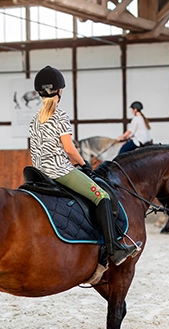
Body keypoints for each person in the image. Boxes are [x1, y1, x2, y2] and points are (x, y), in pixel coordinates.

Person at [29, 65, 142, 265]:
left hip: (38, 172)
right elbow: (69, 148)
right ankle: (113, 248)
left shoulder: (35, 118)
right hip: (60, 171)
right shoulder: (60, 115)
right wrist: (84, 163)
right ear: (60, 91)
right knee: (102, 197)